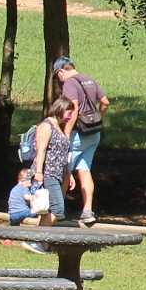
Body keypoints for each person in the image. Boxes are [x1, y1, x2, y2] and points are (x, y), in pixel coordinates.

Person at [52, 58, 110, 224]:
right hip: (94, 134)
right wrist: (99, 119)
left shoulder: (69, 83)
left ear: (61, 71)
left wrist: (66, 133)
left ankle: (58, 212)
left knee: (65, 170)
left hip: (78, 134)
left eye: (58, 76)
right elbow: (105, 103)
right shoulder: (89, 80)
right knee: (84, 170)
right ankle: (87, 211)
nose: (59, 80)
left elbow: (74, 109)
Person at [28, 96, 77, 224]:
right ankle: (39, 236)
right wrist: (39, 172)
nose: (70, 117)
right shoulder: (46, 125)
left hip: (58, 174)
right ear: (61, 108)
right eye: (69, 112)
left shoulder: (59, 127)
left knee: (48, 209)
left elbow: (63, 154)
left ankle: (41, 236)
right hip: (48, 173)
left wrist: (69, 174)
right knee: (58, 209)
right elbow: (41, 150)